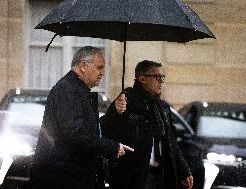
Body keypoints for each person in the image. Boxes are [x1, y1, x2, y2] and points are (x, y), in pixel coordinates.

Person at [31, 46, 133, 189]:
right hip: (65, 178)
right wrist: (111, 148)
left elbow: (92, 129)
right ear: (84, 66)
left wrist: (114, 111)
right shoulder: (68, 90)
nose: (103, 73)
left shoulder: (77, 90)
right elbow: (75, 133)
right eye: (99, 68)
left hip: (72, 175)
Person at [101, 60, 193, 189]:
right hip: (132, 176)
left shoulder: (163, 107)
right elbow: (107, 130)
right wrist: (116, 113)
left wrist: (184, 170)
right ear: (142, 79)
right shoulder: (125, 101)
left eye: (162, 77)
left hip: (159, 175)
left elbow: (171, 142)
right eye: (157, 77)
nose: (161, 81)